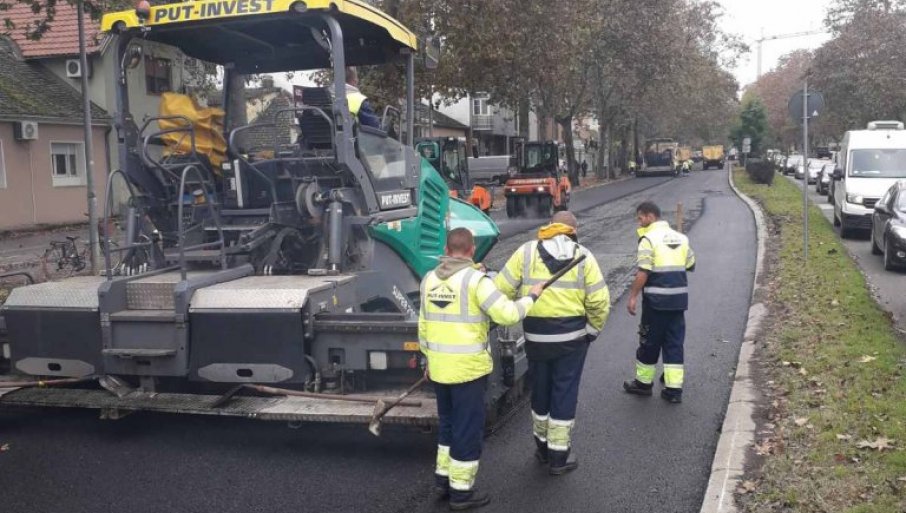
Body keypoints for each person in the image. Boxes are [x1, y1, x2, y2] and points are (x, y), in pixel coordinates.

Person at [420, 228, 543, 511]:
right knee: (467, 429)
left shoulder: (428, 280)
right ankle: (462, 493)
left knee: (448, 425)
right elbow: (508, 314)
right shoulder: (476, 282)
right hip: (467, 371)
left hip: (439, 369)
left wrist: (427, 360)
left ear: (447, 250)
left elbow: (423, 326)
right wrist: (532, 296)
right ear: (471, 249)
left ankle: (443, 480)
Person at [495, 212, 610, 475]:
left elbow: (501, 290)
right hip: (572, 340)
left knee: (541, 391)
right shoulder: (584, 256)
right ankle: (559, 457)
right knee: (564, 392)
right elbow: (599, 302)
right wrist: (591, 331)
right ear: (573, 229)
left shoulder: (525, 253)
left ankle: (542, 447)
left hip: (536, 338)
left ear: (551, 226)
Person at [623, 202, 695, 403]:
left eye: (640, 218)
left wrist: (633, 296)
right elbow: (690, 264)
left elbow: (643, 272)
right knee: (674, 344)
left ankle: (643, 384)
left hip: (655, 303)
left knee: (649, 342)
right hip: (678, 302)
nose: (639, 223)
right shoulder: (682, 238)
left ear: (650, 217)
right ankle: (673, 391)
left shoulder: (648, 239)